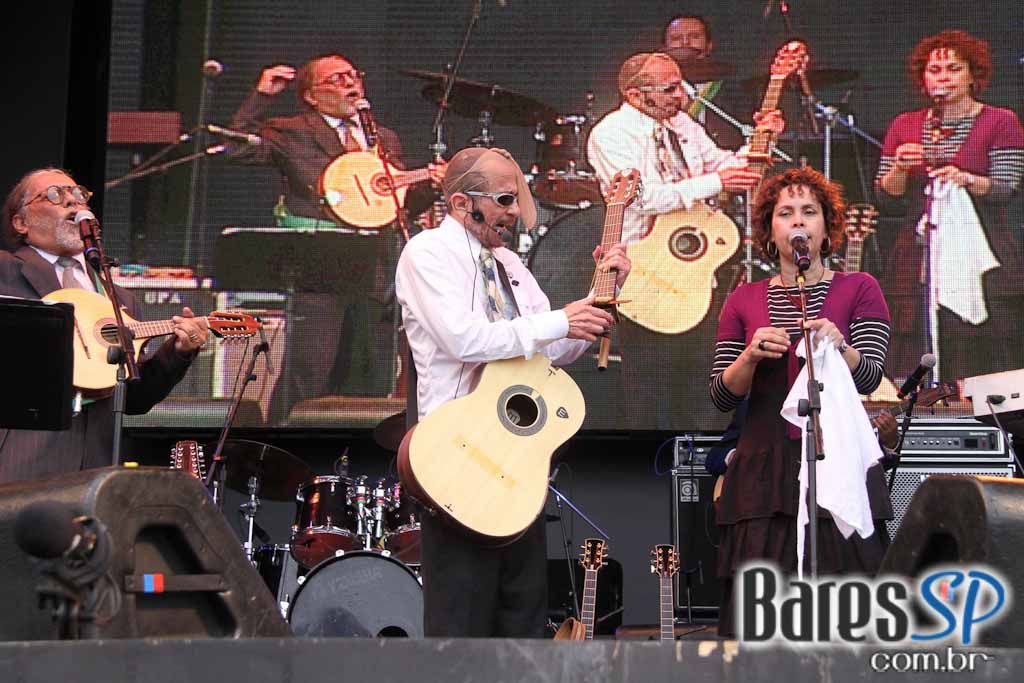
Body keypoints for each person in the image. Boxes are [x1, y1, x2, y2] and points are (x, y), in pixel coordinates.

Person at [395, 146, 630, 637]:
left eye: (517, 199)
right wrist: (560, 320)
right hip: (458, 459)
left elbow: (553, 351)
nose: (515, 212)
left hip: (520, 464)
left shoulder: (509, 265)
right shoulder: (427, 253)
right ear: (461, 203)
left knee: (522, 623)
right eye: (504, 199)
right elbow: (465, 339)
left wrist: (599, 300)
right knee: (460, 626)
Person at [709, 166, 893, 636]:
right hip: (763, 470)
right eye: (785, 212)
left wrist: (840, 344)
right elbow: (722, 394)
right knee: (759, 613)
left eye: (809, 212)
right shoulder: (743, 299)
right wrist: (750, 355)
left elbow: (870, 376)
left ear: (826, 228)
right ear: (769, 231)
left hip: (836, 462)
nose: (797, 221)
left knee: (845, 602)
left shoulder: (860, 288)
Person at [228, 54, 446, 421]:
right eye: (337, 78)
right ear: (312, 96)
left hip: (375, 267)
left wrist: (432, 186)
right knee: (310, 372)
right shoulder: (294, 130)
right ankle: (284, 440)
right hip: (321, 268)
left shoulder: (382, 138)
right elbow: (236, 147)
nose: (350, 83)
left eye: (353, 76)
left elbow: (396, 206)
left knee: (369, 375)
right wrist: (262, 95)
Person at [587, 51, 783, 429]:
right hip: (646, 272)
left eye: (681, 86)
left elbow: (723, 165)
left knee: (702, 385)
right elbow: (644, 198)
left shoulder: (682, 124)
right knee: (651, 394)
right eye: (669, 89)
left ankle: (704, 460)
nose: (681, 95)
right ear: (634, 95)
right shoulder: (610, 135)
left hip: (693, 268)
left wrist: (762, 140)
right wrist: (716, 182)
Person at [0, 168, 209, 483]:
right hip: (20, 458)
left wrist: (178, 351)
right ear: (21, 222)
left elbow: (134, 399)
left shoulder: (119, 299)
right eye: (55, 195)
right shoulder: (5, 271)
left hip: (96, 464)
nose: (72, 201)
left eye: (79, 194)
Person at [875, 30, 1024, 386]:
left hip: (982, 249)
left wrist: (966, 179)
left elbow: (1006, 188)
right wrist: (899, 168)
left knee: (977, 344)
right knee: (914, 342)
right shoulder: (905, 124)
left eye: (954, 69)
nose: (943, 77)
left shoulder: (1000, 121)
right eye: (935, 70)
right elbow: (885, 197)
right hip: (917, 255)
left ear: (973, 75)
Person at [662, 14, 744, 148]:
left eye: (694, 36)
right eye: (676, 38)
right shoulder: (652, 87)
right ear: (665, 47)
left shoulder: (733, 86)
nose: (685, 43)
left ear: (709, 45)